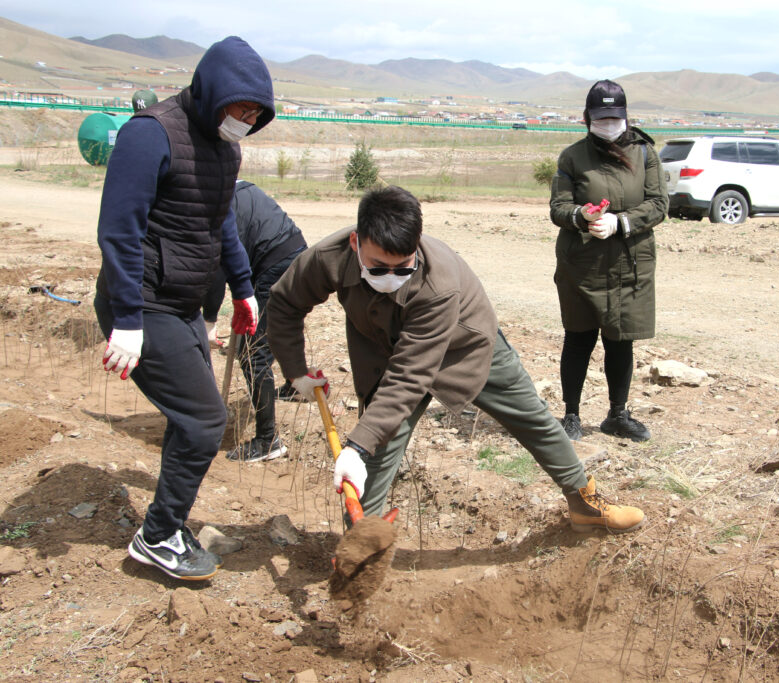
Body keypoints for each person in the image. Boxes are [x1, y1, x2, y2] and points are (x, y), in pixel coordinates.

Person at [266, 186, 645, 533]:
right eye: (378, 268)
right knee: (376, 447)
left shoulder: (438, 281)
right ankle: (363, 547)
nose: (392, 277)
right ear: (354, 242)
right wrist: (296, 371)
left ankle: (585, 503)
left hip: (466, 345)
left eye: (404, 268)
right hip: (388, 351)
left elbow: (412, 374)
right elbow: (284, 302)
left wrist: (356, 446)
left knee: (534, 419)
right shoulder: (328, 257)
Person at [94, 36, 275, 581]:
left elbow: (220, 221)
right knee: (204, 420)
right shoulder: (149, 134)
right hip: (143, 304)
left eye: (254, 114)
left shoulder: (225, 147)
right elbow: (118, 230)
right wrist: (126, 319)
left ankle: (165, 525)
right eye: (238, 108)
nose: (243, 120)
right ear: (212, 91)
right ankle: (158, 535)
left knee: (190, 418)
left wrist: (242, 289)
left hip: (183, 304)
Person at [549, 80, 668, 443]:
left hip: (629, 263)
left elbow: (659, 204)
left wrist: (622, 222)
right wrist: (582, 216)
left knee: (621, 340)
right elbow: (558, 208)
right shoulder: (572, 157)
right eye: (600, 118)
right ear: (587, 118)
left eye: (614, 117)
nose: (608, 123)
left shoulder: (646, 153)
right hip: (582, 264)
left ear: (625, 116)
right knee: (579, 338)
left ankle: (617, 415)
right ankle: (571, 415)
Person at [205, 180, 307, 462]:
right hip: (293, 253)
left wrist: (208, 322)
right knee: (281, 327)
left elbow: (217, 269)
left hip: (275, 264)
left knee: (253, 354)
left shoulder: (216, 202)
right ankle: (295, 385)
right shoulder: (236, 188)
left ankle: (267, 441)